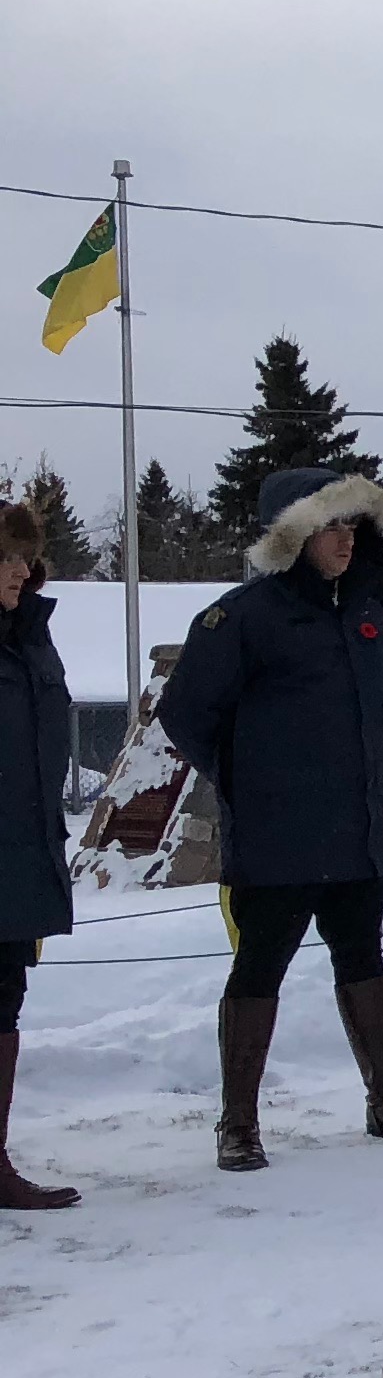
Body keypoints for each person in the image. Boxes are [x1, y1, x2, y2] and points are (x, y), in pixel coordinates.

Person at [159, 467, 383, 1171]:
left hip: (361, 829)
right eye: (329, 528)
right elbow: (186, 713)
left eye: (353, 526)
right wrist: (247, 782)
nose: (345, 541)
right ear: (293, 536)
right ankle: (238, 1122)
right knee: (259, 967)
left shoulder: (373, 611)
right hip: (276, 835)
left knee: (365, 957)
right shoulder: (242, 618)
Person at [0, 499, 80, 1210]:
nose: (20, 571)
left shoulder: (31, 636)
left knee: (3, 1000)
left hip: (21, 853)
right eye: (5, 557)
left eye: (26, 557)